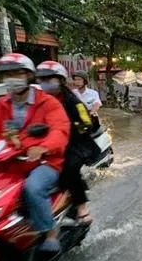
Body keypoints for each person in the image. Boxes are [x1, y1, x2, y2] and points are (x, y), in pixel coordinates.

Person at [0, 53, 70, 252]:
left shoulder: (49, 103)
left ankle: (49, 233)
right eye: (7, 74)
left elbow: (60, 131)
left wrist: (43, 147)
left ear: (29, 76)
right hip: (9, 163)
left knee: (32, 187)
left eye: (16, 73)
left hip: (45, 162)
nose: (12, 78)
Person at [36, 61, 100, 227]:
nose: (46, 83)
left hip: (75, 144)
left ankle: (81, 206)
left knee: (68, 168)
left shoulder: (73, 101)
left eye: (50, 78)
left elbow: (86, 123)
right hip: (47, 143)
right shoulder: (39, 101)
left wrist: (67, 128)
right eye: (42, 79)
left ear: (61, 80)